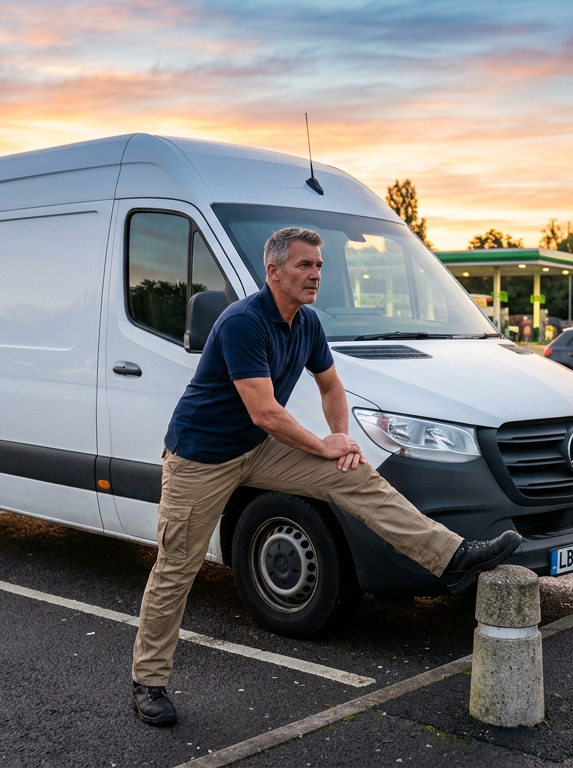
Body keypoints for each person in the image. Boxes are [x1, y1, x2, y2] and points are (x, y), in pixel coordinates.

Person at [129, 227, 523, 727]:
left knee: (355, 477)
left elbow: (332, 386)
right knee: (176, 568)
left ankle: (451, 558)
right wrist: (321, 444)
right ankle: (148, 681)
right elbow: (265, 412)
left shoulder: (307, 323)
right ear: (274, 272)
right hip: (200, 460)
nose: (316, 274)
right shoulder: (242, 323)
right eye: (304, 266)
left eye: (318, 265)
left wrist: (342, 443)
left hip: (253, 451)